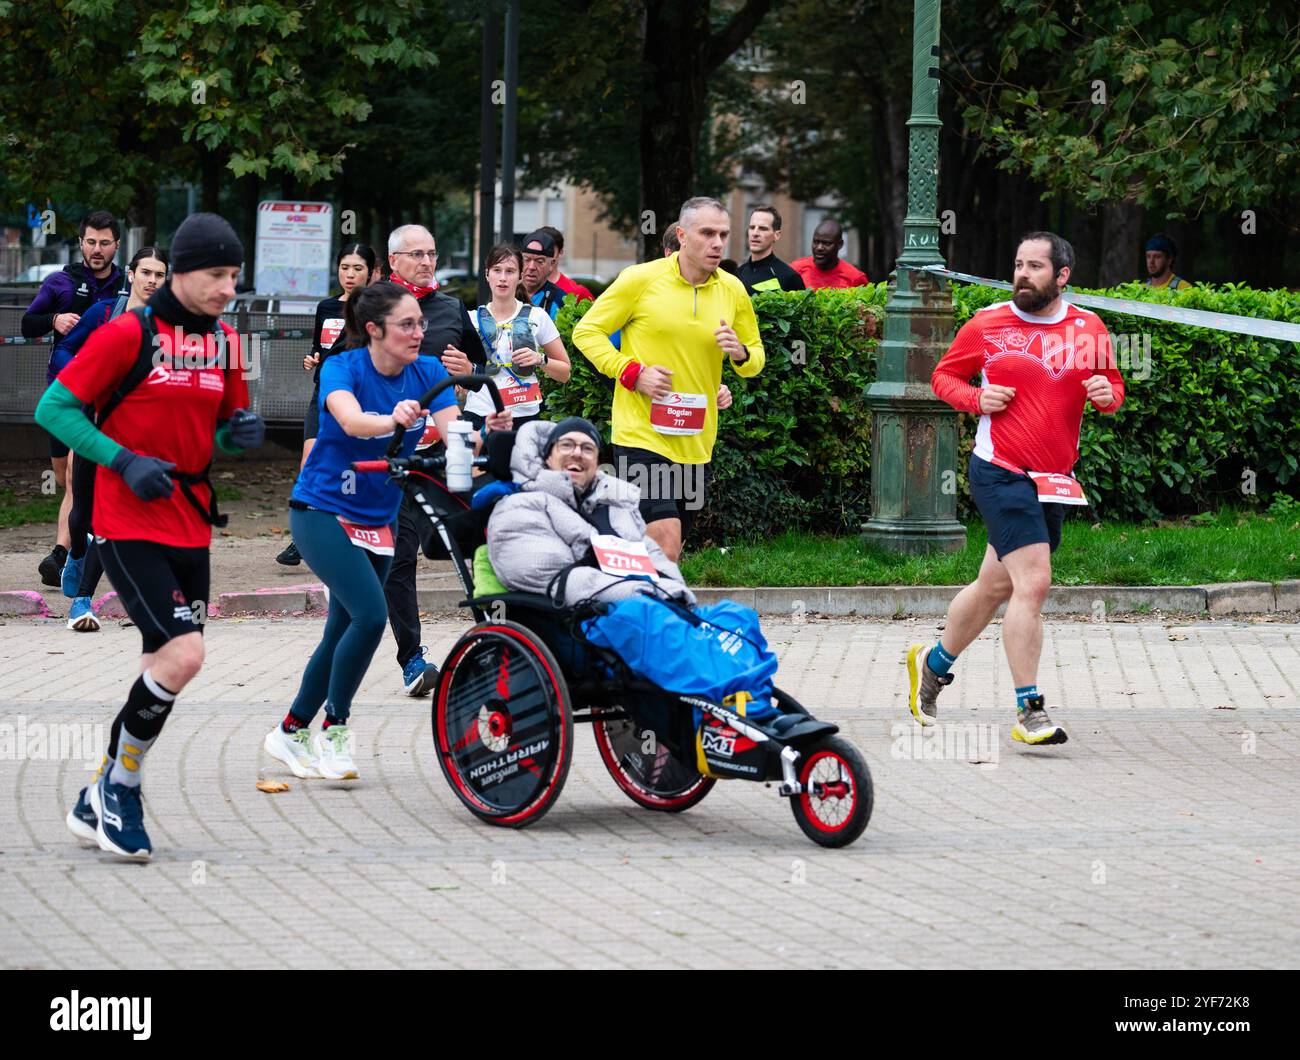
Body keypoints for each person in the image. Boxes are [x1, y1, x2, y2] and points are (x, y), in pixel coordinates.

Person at [35, 212, 265, 859]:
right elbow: (52, 408)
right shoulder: (126, 333)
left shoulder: (226, 343)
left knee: (160, 667)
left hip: (190, 522)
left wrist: (234, 437)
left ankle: (96, 793)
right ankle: (122, 788)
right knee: (186, 654)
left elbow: (219, 428)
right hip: (124, 517)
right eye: (218, 275)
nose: (228, 287)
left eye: (234, 276)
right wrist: (122, 460)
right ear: (186, 272)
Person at [262, 283, 510, 781]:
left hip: (379, 515)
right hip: (322, 510)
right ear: (374, 329)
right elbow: (351, 422)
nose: (420, 333)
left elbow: (451, 429)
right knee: (372, 617)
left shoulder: (428, 371)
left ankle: (290, 732)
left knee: (342, 628)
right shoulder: (343, 367)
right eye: (407, 325)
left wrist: (486, 432)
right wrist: (390, 420)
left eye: (421, 323)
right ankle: (335, 729)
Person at [915, 231, 1126, 747]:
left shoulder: (1088, 328)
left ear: (1062, 276)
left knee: (996, 585)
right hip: (999, 468)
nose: (1022, 275)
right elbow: (944, 378)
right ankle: (1029, 709)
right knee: (1033, 581)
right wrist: (977, 398)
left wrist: (1106, 393)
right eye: (1018, 264)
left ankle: (932, 665)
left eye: (1035, 266)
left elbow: (1113, 389)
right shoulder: (988, 323)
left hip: (1053, 479)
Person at [572, 196, 764, 564]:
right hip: (642, 434)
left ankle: (622, 597)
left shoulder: (732, 289)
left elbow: (755, 358)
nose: (717, 243)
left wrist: (739, 353)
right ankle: (657, 616)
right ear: (682, 235)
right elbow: (587, 332)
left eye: (723, 234)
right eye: (707, 233)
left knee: (664, 549)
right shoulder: (641, 279)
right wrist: (633, 373)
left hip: (695, 441)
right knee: (665, 539)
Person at [382, 223, 484, 696]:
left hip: (441, 455)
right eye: (416, 255)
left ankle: (493, 640)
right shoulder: (373, 308)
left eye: (432, 253)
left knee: (472, 544)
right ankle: (412, 660)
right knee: (399, 561)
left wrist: (471, 372)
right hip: (391, 456)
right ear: (393, 262)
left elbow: (484, 373)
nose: (427, 262)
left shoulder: (450, 307)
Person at [50, 246, 170, 631]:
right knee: (83, 509)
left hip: (138, 432)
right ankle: (77, 554)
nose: (152, 280)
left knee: (109, 514)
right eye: (146, 273)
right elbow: (66, 349)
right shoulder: (104, 314)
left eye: (160, 275)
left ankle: (82, 602)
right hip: (92, 425)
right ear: (131, 275)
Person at [488, 418, 693, 606]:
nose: (577, 453)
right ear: (548, 458)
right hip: (601, 614)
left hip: (643, 606)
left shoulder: (616, 507)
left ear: (596, 464)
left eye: (587, 448)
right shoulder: (521, 505)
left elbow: (652, 557)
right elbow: (552, 573)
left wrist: (678, 595)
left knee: (722, 618)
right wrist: (646, 594)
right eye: (566, 445)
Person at [25, 210, 126, 587]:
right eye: (90, 242)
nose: (97, 249)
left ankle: (61, 552)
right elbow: (27, 322)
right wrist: (53, 320)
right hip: (62, 390)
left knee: (76, 467)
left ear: (116, 245)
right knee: (67, 478)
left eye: (104, 243)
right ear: (80, 242)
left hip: (102, 398)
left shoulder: (127, 287)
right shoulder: (61, 282)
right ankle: (81, 541)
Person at [277, 243, 378, 567]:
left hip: (355, 398)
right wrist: (313, 359)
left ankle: (352, 535)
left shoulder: (375, 311)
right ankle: (303, 538)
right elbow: (319, 348)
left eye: (358, 268)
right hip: (322, 394)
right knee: (310, 464)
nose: (350, 275)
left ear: (372, 273)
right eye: (345, 267)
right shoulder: (326, 307)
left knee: (350, 469)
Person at [464, 243, 571, 431]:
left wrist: (540, 359)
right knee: (478, 462)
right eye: (497, 270)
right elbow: (455, 371)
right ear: (487, 274)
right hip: (479, 413)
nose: (503, 278)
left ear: (520, 276)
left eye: (510, 271)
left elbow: (565, 373)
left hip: (524, 416)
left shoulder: (537, 316)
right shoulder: (471, 319)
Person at [737, 204, 806, 295]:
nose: (755, 233)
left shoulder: (790, 277)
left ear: (776, 235)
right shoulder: (738, 274)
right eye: (752, 227)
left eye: (763, 228)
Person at [790, 219, 869, 289]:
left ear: (840, 244)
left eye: (826, 243)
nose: (819, 248)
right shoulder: (795, 270)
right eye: (816, 242)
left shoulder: (856, 278)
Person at [537, 225, 595, 302]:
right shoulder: (520, 287)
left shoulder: (577, 292)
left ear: (560, 253)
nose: (543, 254)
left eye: (549, 249)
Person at [520, 230, 568, 320]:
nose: (531, 267)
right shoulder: (507, 292)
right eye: (526, 259)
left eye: (539, 261)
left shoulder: (560, 301)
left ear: (552, 264)